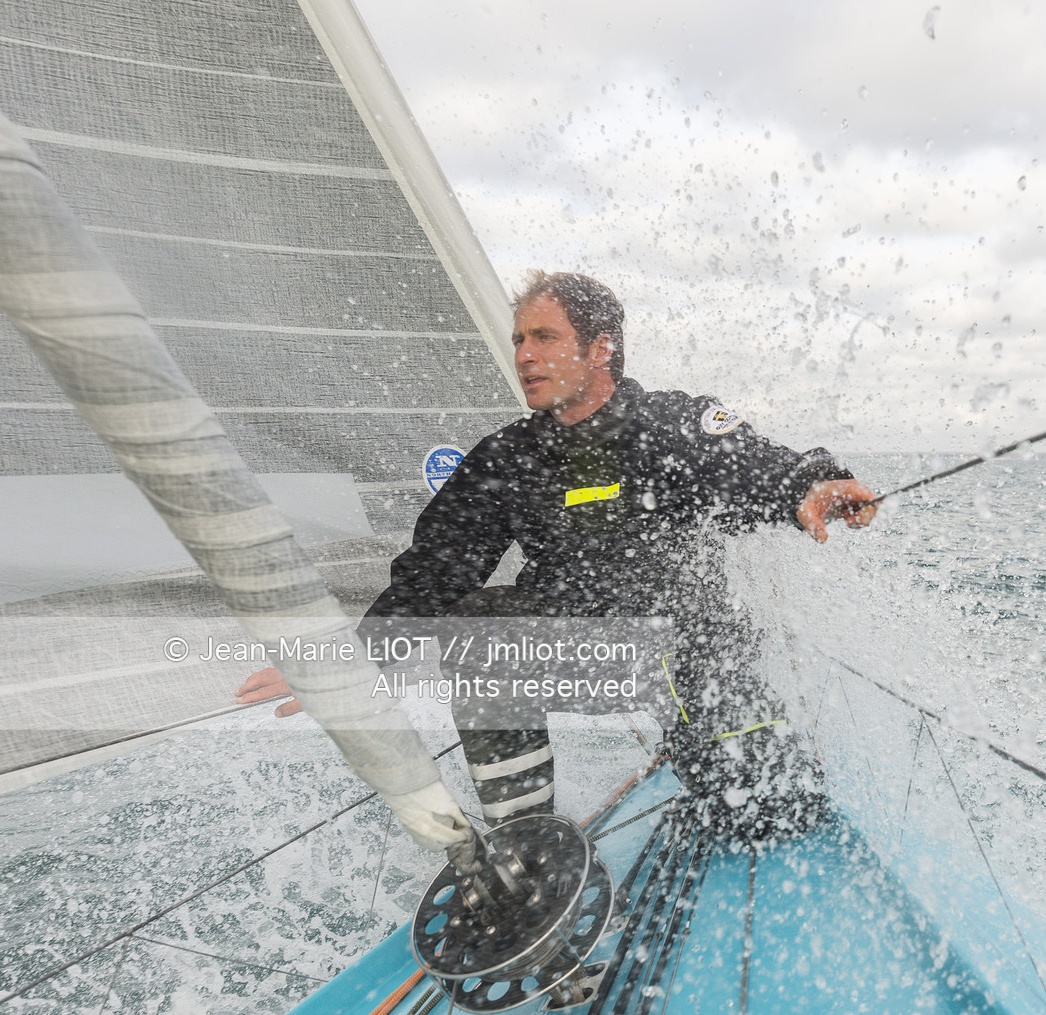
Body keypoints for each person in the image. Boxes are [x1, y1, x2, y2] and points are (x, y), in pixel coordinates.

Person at [237, 271, 876, 839]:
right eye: (519, 340)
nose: (523, 356)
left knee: (769, 817)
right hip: (590, 651)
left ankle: (748, 777)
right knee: (477, 627)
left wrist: (812, 485)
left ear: (600, 349)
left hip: (695, 659)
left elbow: (754, 468)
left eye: (543, 337)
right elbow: (435, 571)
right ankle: (528, 842)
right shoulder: (507, 457)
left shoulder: (671, 423)